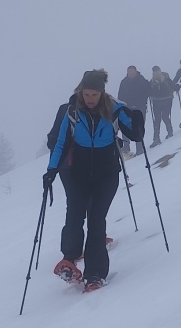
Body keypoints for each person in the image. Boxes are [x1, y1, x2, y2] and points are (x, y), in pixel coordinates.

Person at [44, 69, 143, 293]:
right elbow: (60, 143)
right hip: (79, 173)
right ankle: (69, 258)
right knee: (75, 214)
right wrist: (51, 171)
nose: (90, 99)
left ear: (102, 93)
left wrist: (137, 118)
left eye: (94, 95)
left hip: (106, 174)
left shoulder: (115, 109)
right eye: (86, 94)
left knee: (96, 221)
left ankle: (95, 274)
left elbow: (135, 134)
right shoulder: (72, 111)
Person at [117, 65, 150, 157]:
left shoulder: (141, 80)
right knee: (125, 126)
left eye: (132, 72)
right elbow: (120, 95)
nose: (131, 74)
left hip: (139, 108)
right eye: (129, 72)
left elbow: (147, 93)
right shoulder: (124, 82)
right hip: (127, 108)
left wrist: (142, 103)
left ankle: (139, 148)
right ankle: (126, 147)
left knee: (138, 127)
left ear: (136, 71)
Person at [147, 66, 178, 146]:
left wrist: (176, 87)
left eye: (157, 71)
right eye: (155, 72)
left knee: (162, 118)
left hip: (165, 100)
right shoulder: (154, 81)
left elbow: (172, 86)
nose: (156, 73)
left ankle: (162, 136)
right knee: (160, 119)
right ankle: (160, 137)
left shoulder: (161, 80)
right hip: (160, 101)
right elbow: (173, 86)